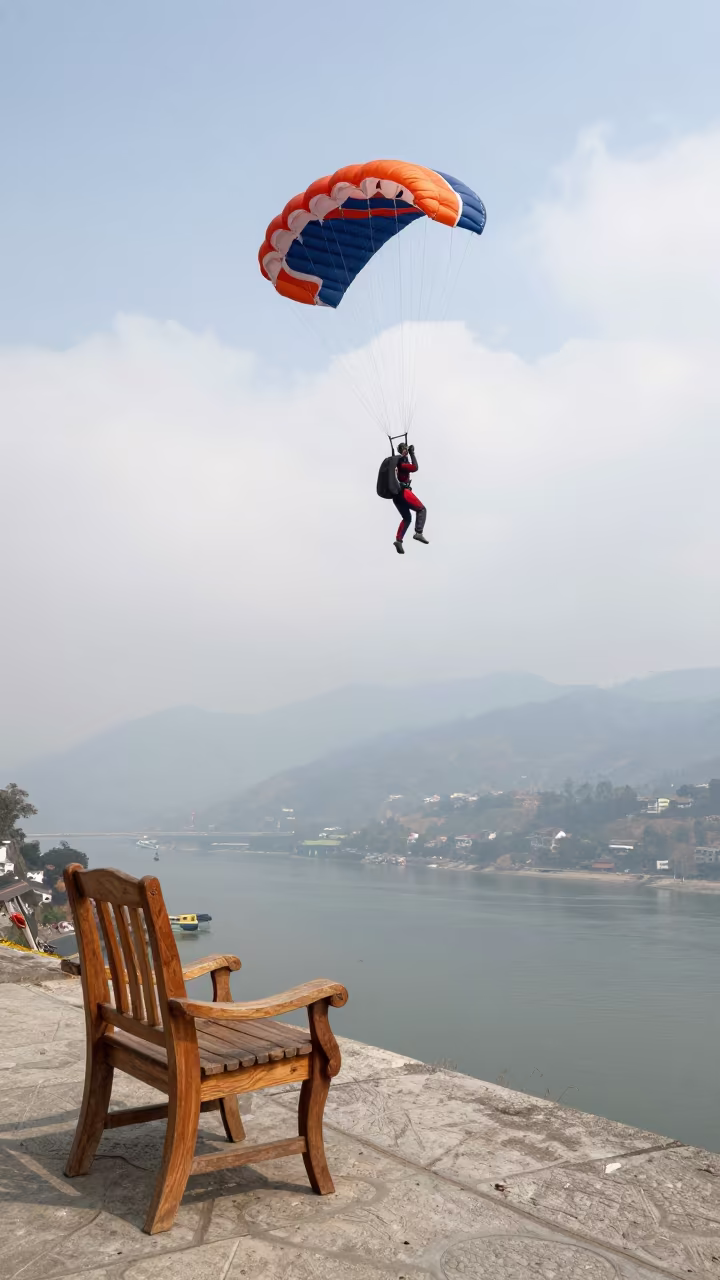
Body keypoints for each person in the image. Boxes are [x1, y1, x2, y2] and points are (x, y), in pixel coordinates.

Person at [391, 443, 428, 554]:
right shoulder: (401, 463)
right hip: (403, 493)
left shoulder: (397, 464)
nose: (405, 451)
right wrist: (412, 453)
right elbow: (415, 467)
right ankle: (418, 533)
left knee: (407, 518)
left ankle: (398, 540)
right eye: (404, 449)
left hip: (396, 497)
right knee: (421, 509)